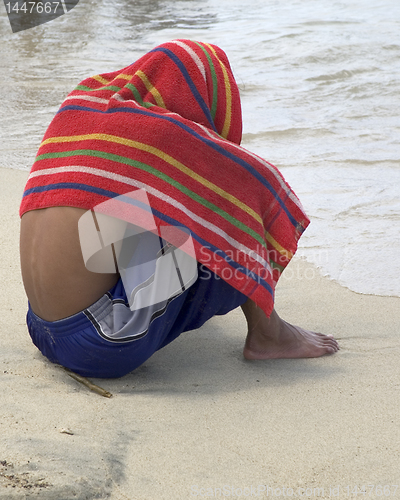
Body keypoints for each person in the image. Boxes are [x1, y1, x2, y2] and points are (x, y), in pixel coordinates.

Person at [19, 40, 339, 378]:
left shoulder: (82, 108)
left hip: (41, 328)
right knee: (227, 217)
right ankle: (269, 335)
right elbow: (263, 190)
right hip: (103, 344)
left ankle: (251, 325)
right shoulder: (160, 133)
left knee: (135, 208)